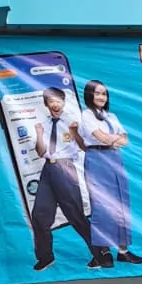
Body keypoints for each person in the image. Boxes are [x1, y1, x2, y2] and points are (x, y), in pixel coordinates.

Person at [79, 80, 142, 269]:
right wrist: (114, 139)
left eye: (104, 94)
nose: (102, 97)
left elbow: (126, 140)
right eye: (97, 93)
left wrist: (114, 139)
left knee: (121, 204)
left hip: (115, 159)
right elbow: (103, 138)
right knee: (102, 205)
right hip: (97, 159)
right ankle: (104, 251)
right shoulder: (86, 115)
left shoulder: (112, 116)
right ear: (89, 95)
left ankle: (123, 251)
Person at [31, 86, 95, 272]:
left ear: (64, 103)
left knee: (76, 215)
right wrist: (39, 134)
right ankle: (45, 257)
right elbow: (41, 152)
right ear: (46, 104)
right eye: (51, 101)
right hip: (48, 168)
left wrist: (75, 132)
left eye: (59, 101)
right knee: (39, 216)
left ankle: (100, 252)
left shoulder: (73, 121)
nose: (55, 104)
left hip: (65, 167)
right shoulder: (43, 123)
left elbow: (84, 147)